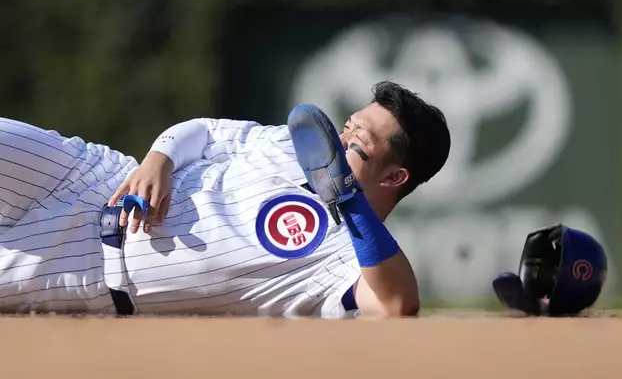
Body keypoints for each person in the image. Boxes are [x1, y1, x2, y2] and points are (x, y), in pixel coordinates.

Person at [0, 80, 451, 318]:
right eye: (349, 124)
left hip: (79, 269)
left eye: (359, 142)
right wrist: (161, 158)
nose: (341, 137)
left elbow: (395, 306)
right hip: (91, 175)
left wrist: (348, 202)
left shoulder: (344, 262)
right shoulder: (286, 144)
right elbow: (206, 131)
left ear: (394, 176)